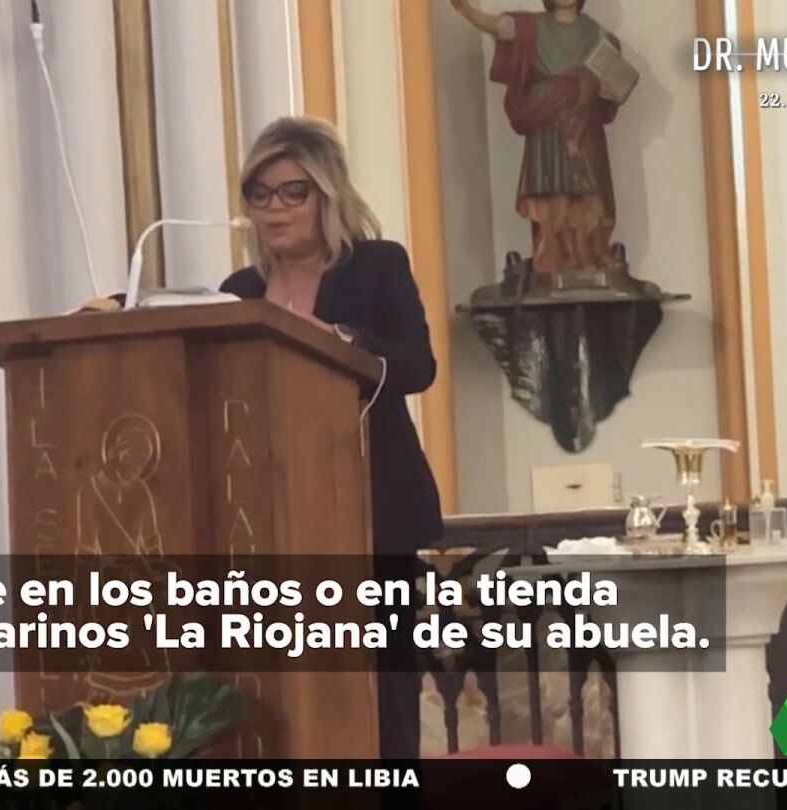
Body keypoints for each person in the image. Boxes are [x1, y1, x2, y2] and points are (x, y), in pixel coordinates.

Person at [220, 116, 442, 758]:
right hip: (270, 519)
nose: (274, 208)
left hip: (370, 511)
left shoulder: (376, 266)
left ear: (327, 195)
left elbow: (417, 367)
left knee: (381, 692)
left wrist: (343, 341)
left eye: (293, 192)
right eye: (259, 193)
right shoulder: (240, 292)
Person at [452, 0, 626, 276]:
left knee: (590, 199)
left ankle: (589, 260)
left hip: (585, 130)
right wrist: (466, 10)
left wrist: (602, 89)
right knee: (551, 198)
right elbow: (497, 26)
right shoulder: (530, 28)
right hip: (547, 125)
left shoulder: (601, 36)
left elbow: (615, 87)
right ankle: (552, 265)